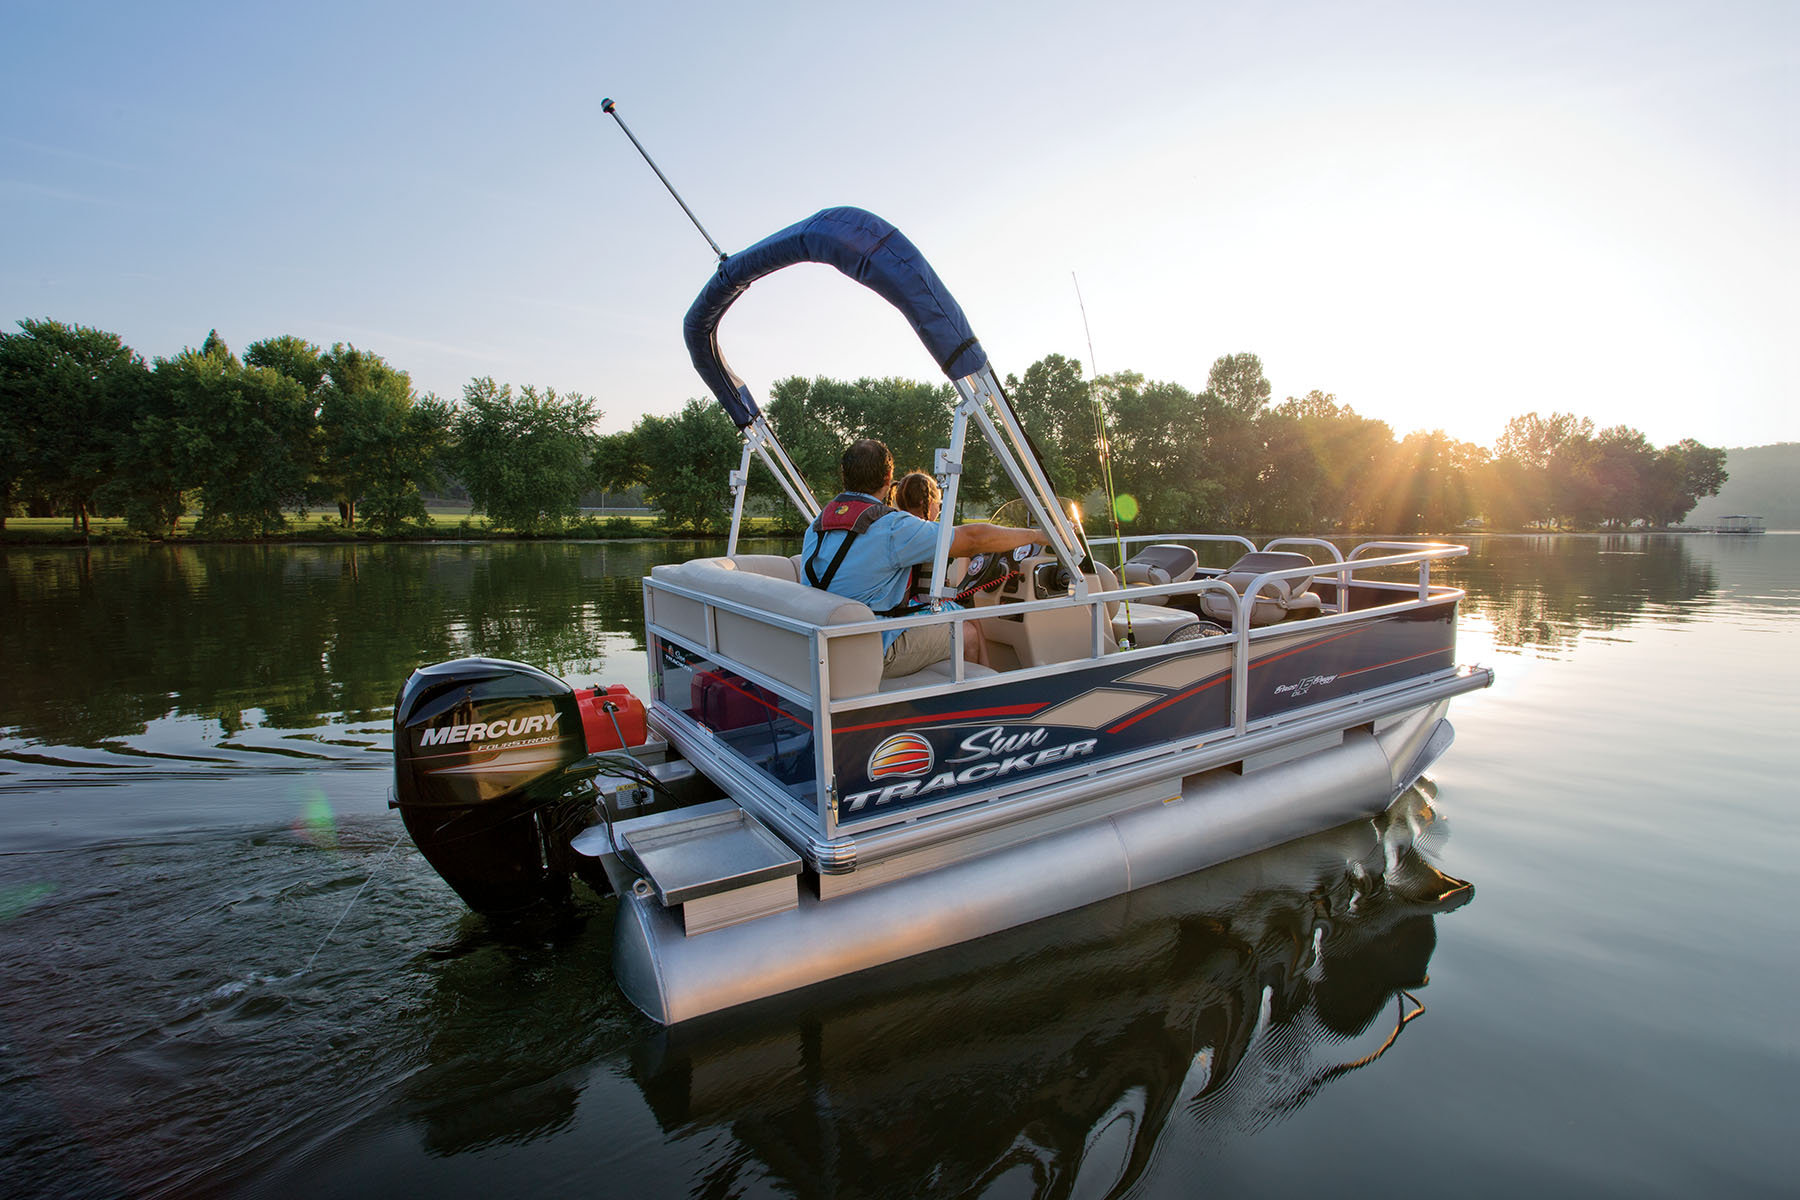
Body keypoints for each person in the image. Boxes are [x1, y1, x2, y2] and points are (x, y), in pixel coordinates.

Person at [803, 440, 1038, 676]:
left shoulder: (818, 525)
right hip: (872, 649)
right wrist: (1038, 536)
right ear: (888, 478)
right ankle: (977, 705)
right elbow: (974, 540)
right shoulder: (892, 528)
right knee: (967, 632)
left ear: (844, 476)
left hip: (826, 645)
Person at [890, 471, 992, 666]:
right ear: (926, 502)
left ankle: (987, 674)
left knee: (970, 614)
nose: (939, 506)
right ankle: (986, 673)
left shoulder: (900, 527)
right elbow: (971, 543)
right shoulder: (928, 533)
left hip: (905, 606)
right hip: (917, 608)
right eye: (938, 501)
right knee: (973, 619)